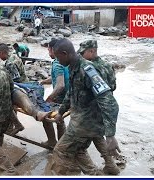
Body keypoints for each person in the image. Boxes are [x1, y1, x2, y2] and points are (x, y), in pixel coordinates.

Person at [51, 38, 120, 175]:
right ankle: (96, 174)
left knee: (61, 151)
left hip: (85, 123)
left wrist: (111, 135)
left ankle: (71, 174)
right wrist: (61, 111)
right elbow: (71, 92)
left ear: (65, 53)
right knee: (79, 150)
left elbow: (109, 102)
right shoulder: (73, 67)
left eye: (58, 57)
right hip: (81, 119)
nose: (58, 61)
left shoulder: (87, 70)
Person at [77, 40, 120, 175]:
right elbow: (113, 87)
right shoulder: (107, 65)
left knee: (78, 148)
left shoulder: (90, 69)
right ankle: (111, 166)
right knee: (97, 136)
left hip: (92, 111)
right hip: (103, 111)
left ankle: (95, 174)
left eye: (83, 53)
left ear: (92, 51)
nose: (81, 56)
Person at [39, 39, 69, 148]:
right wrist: (43, 81)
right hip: (69, 97)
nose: (48, 53)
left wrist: (50, 98)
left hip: (61, 98)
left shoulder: (57, 63)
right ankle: (61, 145)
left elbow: (60, 85)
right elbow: (57, 77)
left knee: (45, 115)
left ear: (52, 49)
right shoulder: (65, 60)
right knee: (60, 120)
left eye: (48, 50)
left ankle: (52, 142)